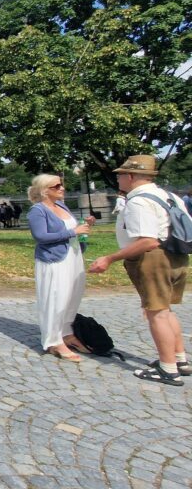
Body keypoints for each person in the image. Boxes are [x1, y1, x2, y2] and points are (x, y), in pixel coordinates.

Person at [89, 155, 190, 386]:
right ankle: (179, 359)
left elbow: (148, 241)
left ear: (131, 176)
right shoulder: (170, 196)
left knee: (157, 313)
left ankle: (168, 369)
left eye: (121, 175)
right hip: (177, 256)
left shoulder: (138, 201)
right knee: (166, 311)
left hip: (154, 259)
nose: (118, 178)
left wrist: (109, 258)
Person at [26, 176, 94, 362]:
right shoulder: (37, 211)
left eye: (62, 184)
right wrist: (73, 232)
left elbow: (72, 230)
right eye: (57, 186)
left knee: (73, 295)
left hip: (73, 256)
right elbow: (41, 237)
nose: (62, 188)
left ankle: (66, 332)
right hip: (53, 260)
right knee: (57, 298)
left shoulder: (62, 206)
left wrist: (85, 227)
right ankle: (53, 340)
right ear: (44, 190)